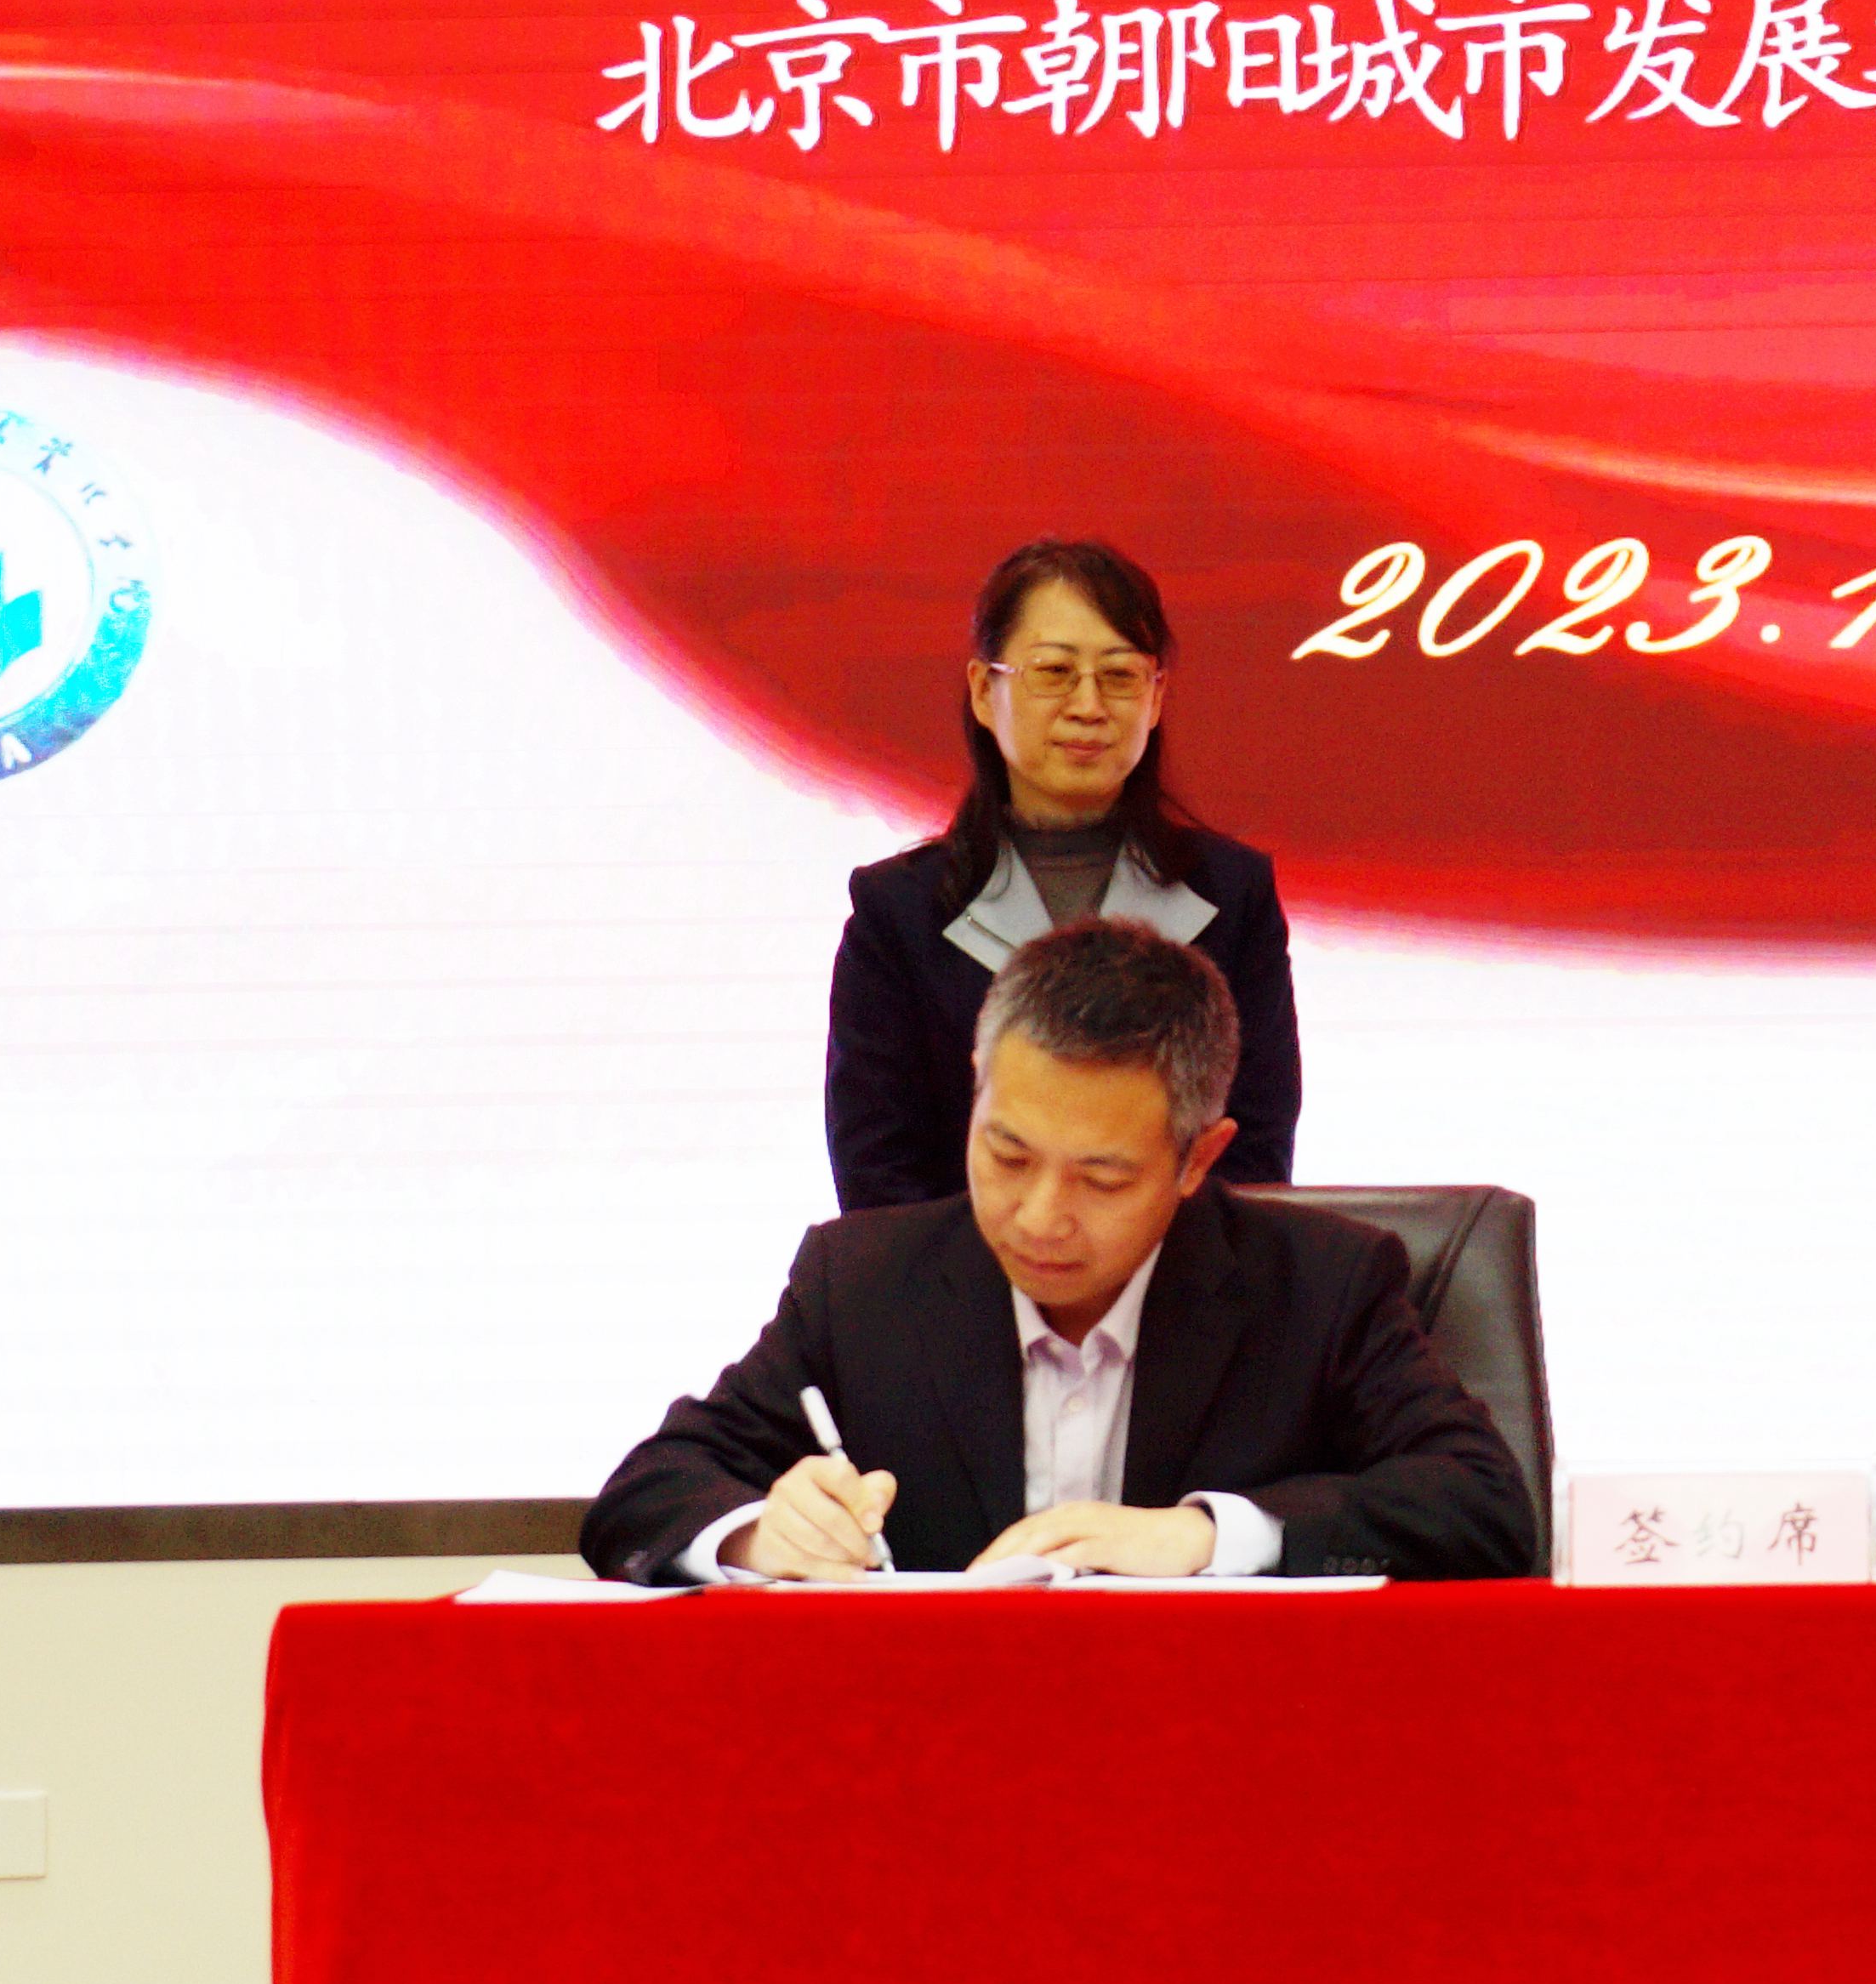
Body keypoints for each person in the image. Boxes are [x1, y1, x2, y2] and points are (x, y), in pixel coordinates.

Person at [589, 916, 1533, 1583]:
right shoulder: (864, 1283)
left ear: (1199, 1158)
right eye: (1007, 1155)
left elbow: (1485, 1505)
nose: (1040, 1216)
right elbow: (647, 1491)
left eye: (1102, 1178)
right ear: (976, 1089)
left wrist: (1208, 1538)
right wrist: (760, 1533)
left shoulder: (1318, 1286)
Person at [825, 538, 1301, 1215]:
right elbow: (879, 1179)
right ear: (983, 692)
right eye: (1053, 671)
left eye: (1119, 675)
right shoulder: (898, 912)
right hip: (962, 1278)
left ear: (1156, 697)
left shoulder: (1232, 896)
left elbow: (1252, 1158)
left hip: (1180, 1278)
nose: (1088, 705)